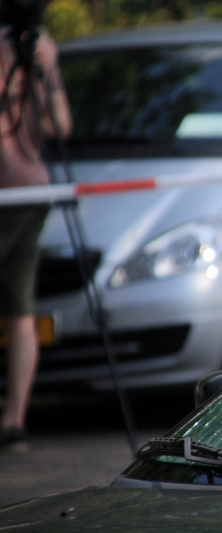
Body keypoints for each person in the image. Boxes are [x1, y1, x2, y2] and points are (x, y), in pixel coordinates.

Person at [0, 14, 71, 452]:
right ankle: (14, 420)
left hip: (6, 188)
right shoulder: (42, 43)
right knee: (19, 310)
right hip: (37, 187)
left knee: (19, 309)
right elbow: (60, 126)